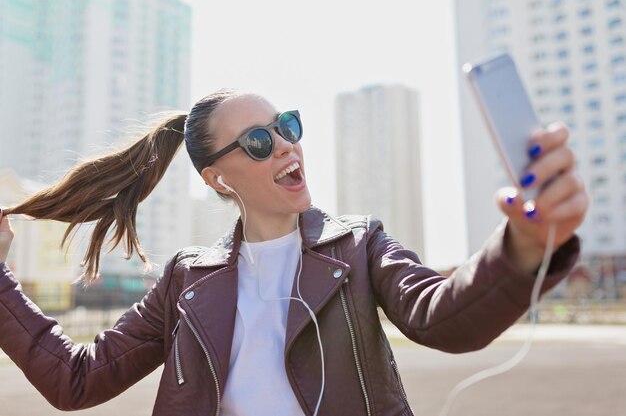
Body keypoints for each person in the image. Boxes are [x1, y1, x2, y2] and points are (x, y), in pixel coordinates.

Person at [0, 89, 587, 416]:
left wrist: (523, 246)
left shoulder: (359, 246)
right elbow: (74, 381)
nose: (285, 145)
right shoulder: (186, 281)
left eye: (286, 126)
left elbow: (443, 316)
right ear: (217, 179)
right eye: (259, 141)